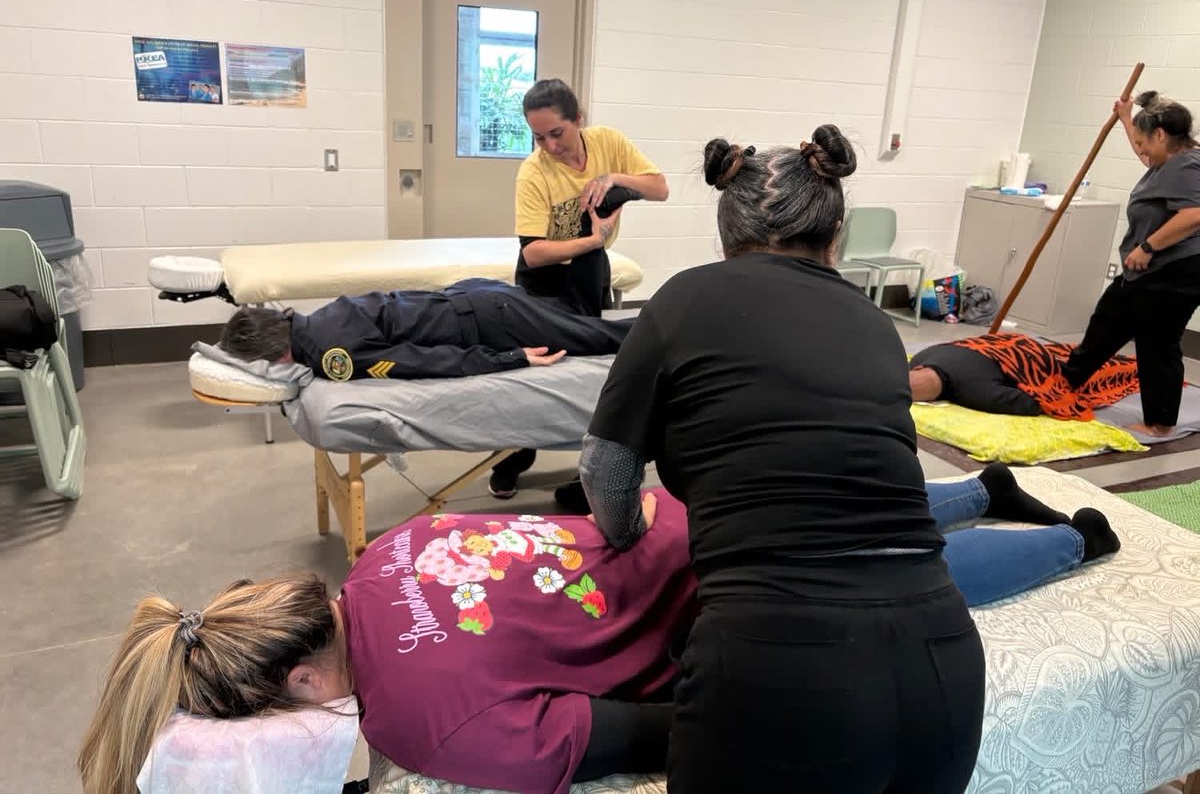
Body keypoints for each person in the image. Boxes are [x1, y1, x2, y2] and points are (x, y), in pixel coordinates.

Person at [80, 466, 1118, 794]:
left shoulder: (421, 729)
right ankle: (980, 486)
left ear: (301, 686)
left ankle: (1078, 540)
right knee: (834, 519)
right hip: (684, 521)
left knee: (904, 588)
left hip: (716, 608)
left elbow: (652, 736)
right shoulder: (385, 548)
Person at [581, 127, 990, 793]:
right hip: (942, 652)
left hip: (776, 657)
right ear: (837, 238)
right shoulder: (874, 322)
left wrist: (625, 535)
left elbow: (606, 469)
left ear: (724, 237)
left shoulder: (684, 299)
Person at [493, 78, 669, 498]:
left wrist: (612, 179)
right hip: (543, 277)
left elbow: (659, 188)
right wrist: (592, 239)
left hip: (589, 271)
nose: (550, 146)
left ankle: (584, 473)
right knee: (537, 372)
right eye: (538, 137)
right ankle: (518, 454)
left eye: (558, 133)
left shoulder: (607, 142)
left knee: (588, 373)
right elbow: (533, 253)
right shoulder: (533, 172)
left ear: (579, 120)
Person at [1064, 91, 1200, 437]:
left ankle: (1159, 423)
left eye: (1143, 141)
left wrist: (1148, 246)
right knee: (1107, 323)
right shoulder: (1169, 161)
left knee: (1157, 344)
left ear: (1161, 135)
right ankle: (1067, 384)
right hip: (1145, 270)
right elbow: (1149, 158)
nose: (1140, 149)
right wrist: (1127, 120)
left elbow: (1195, 214)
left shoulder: (1186, 165)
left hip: (1174, 271)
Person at [217, 277, 632, 382]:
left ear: (274, 354)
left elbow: (425, 360)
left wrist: (510, 357)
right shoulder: (320, 318)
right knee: (587, 327)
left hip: (489, 319)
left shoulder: (330, 357)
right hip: (477, 297)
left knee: (602, 338)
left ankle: (673, 324)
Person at [910, 333, 1140, 420]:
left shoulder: (976, 391)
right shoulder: (921, 356)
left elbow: (1033, 404)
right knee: (1077, 353)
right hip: (1013, 343)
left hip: (1027, 355)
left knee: (1103, 371)